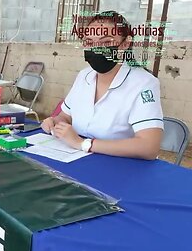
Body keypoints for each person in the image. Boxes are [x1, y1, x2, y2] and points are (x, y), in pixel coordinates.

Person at [41, 11, 163, 160]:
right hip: (74, 159)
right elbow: (65, 117)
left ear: (125, 44)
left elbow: (149, 147)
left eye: (106, 42)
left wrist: (84, 144)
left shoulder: (143, 83)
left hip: (120, 168)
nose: (97, 49)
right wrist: (55, 122)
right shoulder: (84, 76)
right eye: (90, 43)